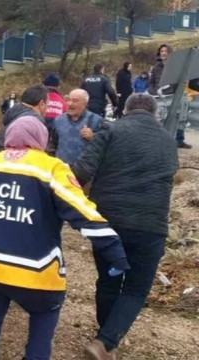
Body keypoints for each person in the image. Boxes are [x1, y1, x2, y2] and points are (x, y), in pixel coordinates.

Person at [0, 116, 129, 360]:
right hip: (34, 269)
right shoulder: (52, 168)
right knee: (43, 319)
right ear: (42, 140)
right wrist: (116, 253)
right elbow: (83, 213)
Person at [72, 93, 178, 359]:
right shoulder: (168, 139)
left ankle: (105, 340)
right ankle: (106, 342)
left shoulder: (111, 128)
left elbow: (82, 171)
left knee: (108, 280)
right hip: (150, 225)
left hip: (108, 222)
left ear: (126, 111)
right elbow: (170, 176)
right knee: (136, 288)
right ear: (155, 114)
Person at [148, 44, 192, 149]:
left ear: (170, 53)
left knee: (179, 117)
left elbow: (180, 81)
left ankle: (179, 140)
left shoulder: (176, 67)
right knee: (160, 119)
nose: (163, 53)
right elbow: (151, 82)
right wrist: (153, 91)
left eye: (166, 51)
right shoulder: (156, 68)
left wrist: (177, 92)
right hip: (160, 96)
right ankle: (160, 141)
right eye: (162, 51)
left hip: (173, 96)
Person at [50, 89, 104, 165]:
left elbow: (106, 147)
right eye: (68, 100)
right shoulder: (58, 120)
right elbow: (52, 146)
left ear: (85, 103)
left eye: (75, 101)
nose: (70, 104)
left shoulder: (96, 120)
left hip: (85, 170)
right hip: (61, 170)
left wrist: (93, 137)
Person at [0, 85, 48, 152]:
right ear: (42, 104)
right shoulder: (34, 120)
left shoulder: (15, 113)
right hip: (15, 160)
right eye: (48, 104)